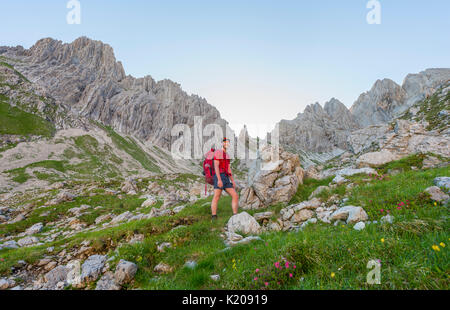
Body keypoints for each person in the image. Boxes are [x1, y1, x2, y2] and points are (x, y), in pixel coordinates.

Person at [211, 137, 239, 220]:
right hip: (219, 176)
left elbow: (228, 169)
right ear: (222, 143)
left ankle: (235, 216)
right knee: (216, 196)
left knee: (235, 195)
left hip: (226, 178)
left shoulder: (227, 155)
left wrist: (232, 180)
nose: (227, 144)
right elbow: (216, 166)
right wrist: (219, 179)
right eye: (225, 142)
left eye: (228, 143)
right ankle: (214, 217)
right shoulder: (218, 152)